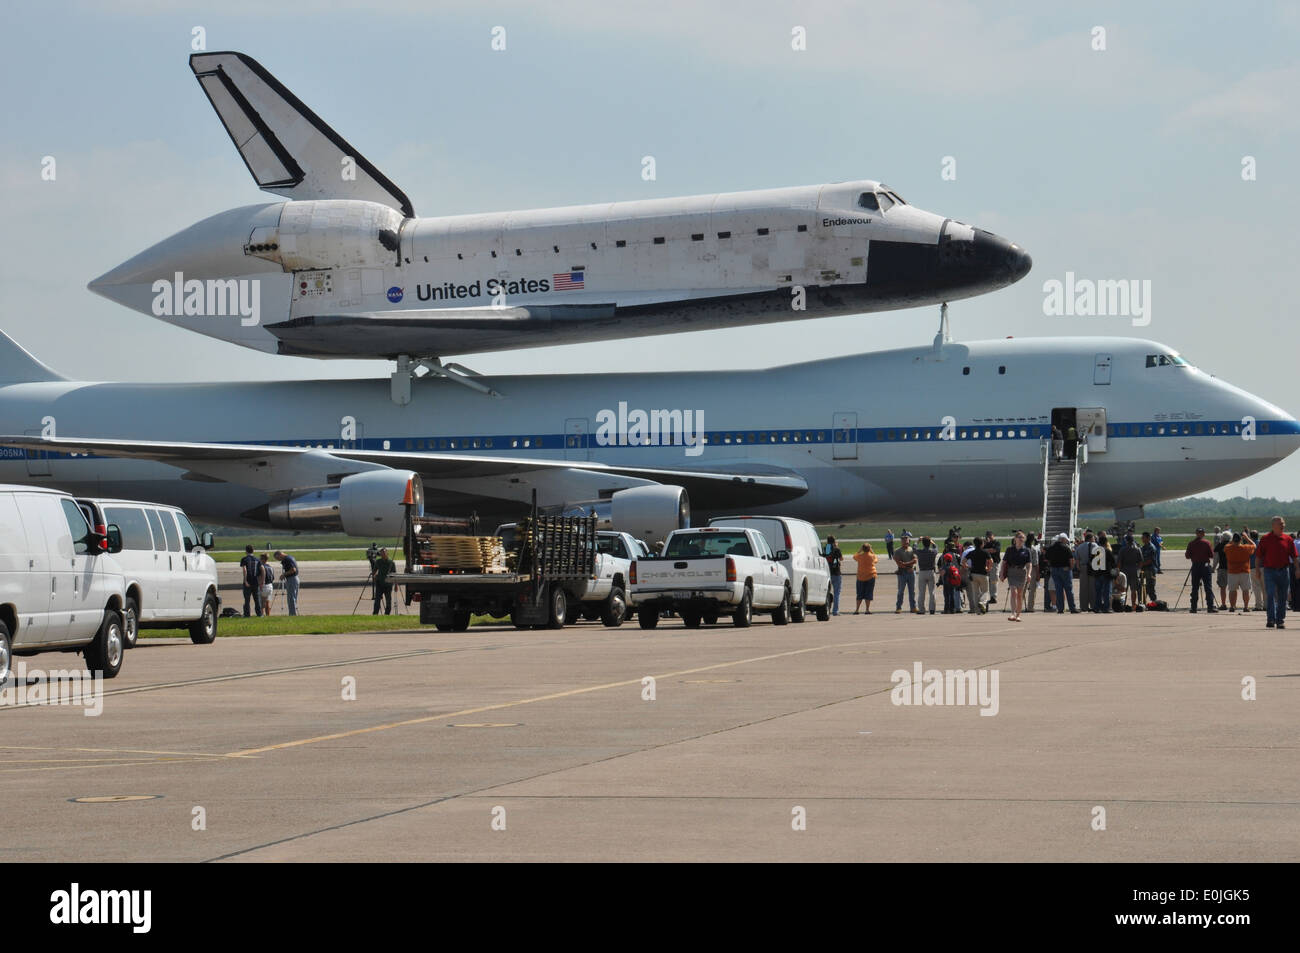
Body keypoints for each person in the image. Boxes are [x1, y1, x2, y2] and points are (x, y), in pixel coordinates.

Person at [1255, 517, 1294, 629]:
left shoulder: (1288, 539)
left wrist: (1297, 568)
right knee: (1270, 594)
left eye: (1283, 523)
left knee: (1283, 596)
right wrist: (1257, 570)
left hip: (1284, 571)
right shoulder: (1265, 539)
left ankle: (1280, 620)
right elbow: (1258, 556)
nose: (1283, 525)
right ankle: (1271, 619)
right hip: (1269, 571)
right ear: (1273, 526)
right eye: (1280, 523)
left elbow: (1294, 556)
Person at [1184, 528, 1217, 613]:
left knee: (1195, 587)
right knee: (1208, 587)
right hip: (1205, 566)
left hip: (1195, 566)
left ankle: (1193, 607)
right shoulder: (1207, 543)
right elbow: (1211, 555)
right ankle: (1210, 607)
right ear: (1203, 534)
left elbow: (1187, 556)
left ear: (1196, 533)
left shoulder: (1191, 543)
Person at [1045, 533, 1078, 613]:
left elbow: (1046, 559)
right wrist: (1070, 568)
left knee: (1058, 590)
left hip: (1054, 570)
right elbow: (1071, 559)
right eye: (1066, 540)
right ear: (1063, 539)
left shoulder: (1051, 548)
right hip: (1065, 570)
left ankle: (1060, 609)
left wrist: (1052, 566)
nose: (1067, 542)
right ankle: (1072, 608)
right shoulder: (1066, 548)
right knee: (1068, 589)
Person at [1002, 531, 1031, 621]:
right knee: (1013, 592)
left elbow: (1029, 564)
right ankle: (1013, 614)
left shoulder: (1026, 550)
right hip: (1012, 572)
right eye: (1019, 537)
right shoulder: (1009, 549)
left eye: (1023, 538)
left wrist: (1029, 574)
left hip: (1022, 573)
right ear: (1015, 539)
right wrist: (1001, 573)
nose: (1021, 539)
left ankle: (1018, 615)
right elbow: (1004, 562)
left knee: (1020, 594)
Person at [1223, 532, 1255, 613]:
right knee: (1245, 590)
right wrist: (1247, 538)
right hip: (1244, 571)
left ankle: (1232, 606)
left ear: (1233, 540)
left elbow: (1225, 547)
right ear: (1240, 540)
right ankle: (1246, 607)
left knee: (1232, 590)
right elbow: (1254, 545)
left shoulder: (1228, 548)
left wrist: (1232, 541)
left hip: (1232, 572)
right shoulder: (1246, 548)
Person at [963, 539, 993, 614]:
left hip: (973, 574)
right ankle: (982, 602)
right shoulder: (985, 552)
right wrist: (989, 568)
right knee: (985, 591)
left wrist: (967, 567)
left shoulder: (972, 552)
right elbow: (991, 561)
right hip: (983, 573)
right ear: (982, 544)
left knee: (975, 592)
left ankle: (977, 610)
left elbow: (963, 561)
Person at [893, 534, 919, 614]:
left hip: (911, 573)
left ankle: (913, 607)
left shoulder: (911, 549)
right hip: (902, 573)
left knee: (912, 591)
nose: (905, 542)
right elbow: (899, 563)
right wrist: (908, 566)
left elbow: (915, 560)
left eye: (906, 540)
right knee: (901, 591)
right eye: (903, 540)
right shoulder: (897, 551)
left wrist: (905, 563)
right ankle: (898, 607)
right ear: (901, 542)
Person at [1118, 534, 1143, 610]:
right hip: (1134, 570)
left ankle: (1122, 605)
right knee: (1133, 589)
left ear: (1126, 541)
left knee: (1124, 589)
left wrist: (1118, 572)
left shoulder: (1123, 549)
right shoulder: (1137, 549)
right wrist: (1138, 569)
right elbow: (1141, 561)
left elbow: (1119, 562)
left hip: (1125, 570)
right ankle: (1133, 605)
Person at [1091, 533, 1115, 613]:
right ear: (1105, 542)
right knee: (1106, 592)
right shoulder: (1107, 551)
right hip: (1106, 574)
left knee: (1098, 592)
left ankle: (1097, 608)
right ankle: (1106, 608)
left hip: (1097, 574)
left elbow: (1092, 562)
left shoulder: (1095, 550)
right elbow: (1113, 563)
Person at [915, 536, 938, 615]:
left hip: (922, 572)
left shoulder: (920, 552)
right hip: (931, 572)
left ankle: (921, 609)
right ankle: (932, 609)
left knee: (921, 592)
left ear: (923, 544)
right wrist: (932, 541)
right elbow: (936, 547)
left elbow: (914, 548)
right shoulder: (933, 552)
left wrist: (918, 541)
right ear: (929, 543)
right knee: (932, 592)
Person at [852, 543, 877, 614]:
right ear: (869, 549)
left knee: (859, 594)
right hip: (871, 575)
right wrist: (872, 551)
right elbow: (876, 560)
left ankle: (857, 610)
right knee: (868, 593)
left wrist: (859, 550)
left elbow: (854, 557)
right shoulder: (871, 556)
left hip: (860, 576)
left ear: (863, 549)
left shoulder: (860, 556)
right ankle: (867, 609)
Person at [239, 544, 264, 617]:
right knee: (257, 599)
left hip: (248, 582)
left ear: (246, 551)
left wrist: (245, 580)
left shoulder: (244, 559)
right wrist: (262, 581)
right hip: (255, 582)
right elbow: (263, 570)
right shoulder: (257, 559)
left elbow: (245, 570)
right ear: (253, 551)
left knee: (247, 600)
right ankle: (259, 614)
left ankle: (247, 614)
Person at [274, 550, 301, 616]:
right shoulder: (290, 557)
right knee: (293, 597)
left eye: (278, 558)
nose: (278, 560)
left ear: (280, 554)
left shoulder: (287, 559)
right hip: (294, 578)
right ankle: (293, 613)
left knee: (291, 598)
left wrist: (284, 574)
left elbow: (293, 570)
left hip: (292, 579)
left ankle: (292, 614)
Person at [372, 546, 398, 615]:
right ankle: (375, 614)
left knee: (388, 601)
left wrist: (396, 585)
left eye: (384, 553)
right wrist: (374, 576)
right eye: (381, 553)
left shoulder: (391, 563)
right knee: (377, 600)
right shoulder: (378, 561)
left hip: (388, 585)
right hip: (379, 584)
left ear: (387, 553)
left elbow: (395, 574)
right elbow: (374, 571)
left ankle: (387, 614)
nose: (383, 554)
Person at [939, 543, 963, 614]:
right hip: (953, 582)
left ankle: (946, 609)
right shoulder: (955, 561)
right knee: (953, 595)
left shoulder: (944, 565)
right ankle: (954, 608)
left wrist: (940, 579)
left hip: (946, 583)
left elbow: (942, 573)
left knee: (947, 596)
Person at [1074, 531, 1094, 612]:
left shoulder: (1079, 547)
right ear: (1091, 539)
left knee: (1083, 588)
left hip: (1083, 567)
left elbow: (1077, 559)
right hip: (1093, 568)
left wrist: (1079, 568)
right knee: (1092, 587)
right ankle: (1093, 605)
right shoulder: (1095, 545)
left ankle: (1084, 606)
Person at [824, 536, 844, 616]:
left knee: (826, 592)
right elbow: (841, 558)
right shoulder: (836, 549)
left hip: (827, 572)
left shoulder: (826, 548)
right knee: (837, 593)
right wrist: (836, 547)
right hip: (836, 572)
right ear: (834, 541)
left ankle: (825, 609)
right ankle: (835, 611)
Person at [1139, 532, 1159, 603]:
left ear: (1148, 538)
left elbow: (1150, 560)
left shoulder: (1151, 547)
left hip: (1150, 570)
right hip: (1144, 570)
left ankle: (1154, 602)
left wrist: (1141, 564)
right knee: (1142, 587)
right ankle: (1143, 601)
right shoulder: (1143, 547)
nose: (1142, 539)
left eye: (1143, 537)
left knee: (1150, 587)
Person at [983, 533, 1002, 606]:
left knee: (994, 580)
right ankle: (988, 596)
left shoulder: (996, 543)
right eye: (987, 536)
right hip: (987, 563)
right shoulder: (986, 543)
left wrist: (986, 550)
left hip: (994, 563)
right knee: (987, 580)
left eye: (990, 536)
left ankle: (993, 596)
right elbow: (982, 550)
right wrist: (987, 548)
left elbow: (994, 550)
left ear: (993, 536)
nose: (989, 537)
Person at [1213, 530, 1231, 607]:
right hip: (1232, 569)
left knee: (1223, 588)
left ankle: (1223, 604)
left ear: (1222, 538)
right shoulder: (1232, 545)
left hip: (1222, 568)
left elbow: (1216, 559)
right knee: (1232, 588)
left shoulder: (1219, 546)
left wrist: (1213, 568)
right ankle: (1233, 604)